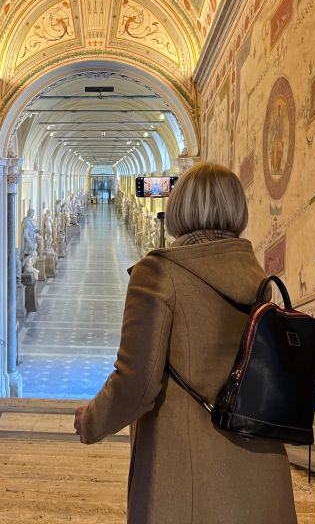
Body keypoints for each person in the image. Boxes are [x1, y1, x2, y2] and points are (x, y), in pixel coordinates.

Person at [74, 163, 297, 524]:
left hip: (186, 481)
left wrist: (91, 422)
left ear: (179, 207)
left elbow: (137, 382)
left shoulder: (158, 274)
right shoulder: (258, 279)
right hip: (262, 475)